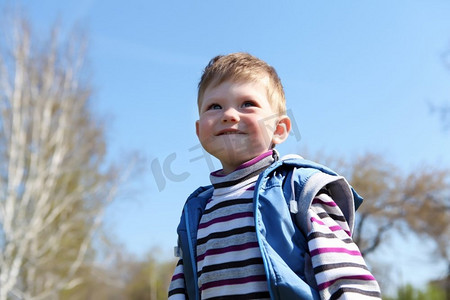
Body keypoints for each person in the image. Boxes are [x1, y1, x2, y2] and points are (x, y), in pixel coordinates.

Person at [168, 52, 381, 300]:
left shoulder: (297, 190)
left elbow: (345, 278)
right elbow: (183, 287)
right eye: (214, 106)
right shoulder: (198, 211)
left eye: (247, 104)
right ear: (198, 130)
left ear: (279, 129)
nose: (229, 115)